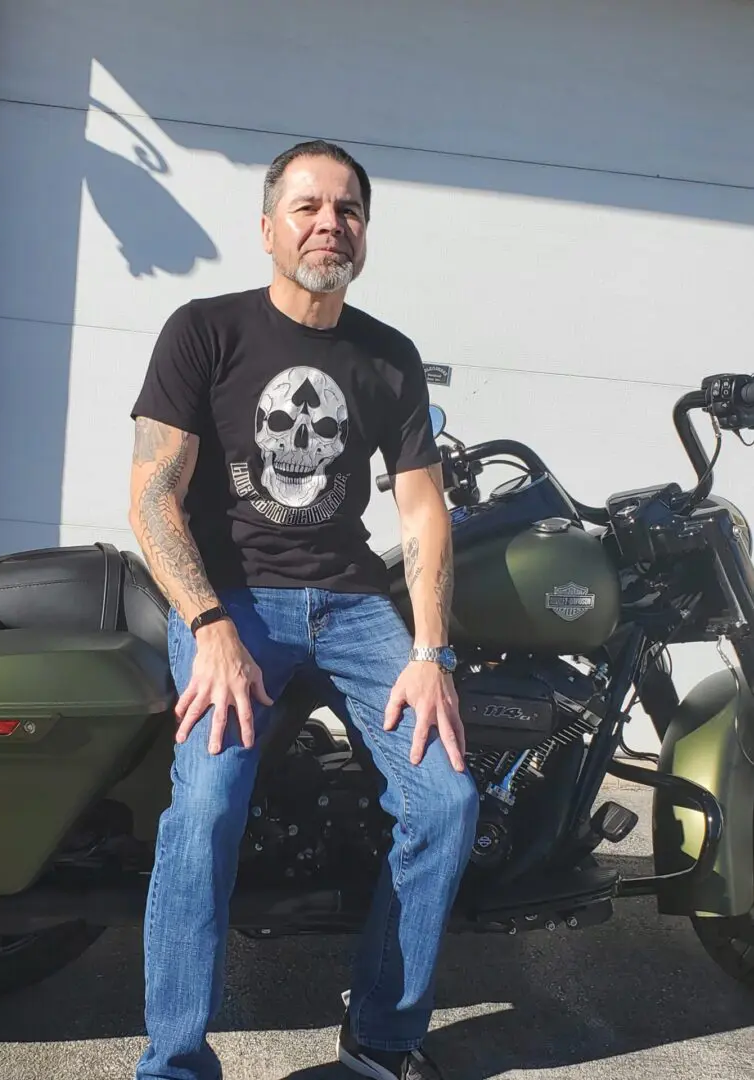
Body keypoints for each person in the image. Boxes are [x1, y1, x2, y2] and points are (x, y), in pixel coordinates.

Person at [128, 139, 478, 1080]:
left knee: (445, 800)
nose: (330, 223)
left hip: (356, 604)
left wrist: (432, 653)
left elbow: (421, 510)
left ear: (365, 232)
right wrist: (210, 630)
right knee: (204, 808)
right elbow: (154, 496)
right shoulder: (204, 330)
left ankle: (382, 1035)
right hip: (233, 601)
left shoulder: (388, 357)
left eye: (349, 210)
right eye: (309, 206)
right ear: (270, 226)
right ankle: (173, 1063)